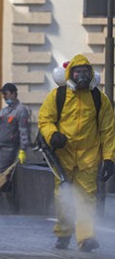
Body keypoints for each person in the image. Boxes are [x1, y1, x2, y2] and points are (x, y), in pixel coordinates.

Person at [38, 54, 115, 252]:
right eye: (77, 72)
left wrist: (109, 158)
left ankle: (86, 237)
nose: (81, 76)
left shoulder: (99, 99)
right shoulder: (58, 95)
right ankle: (63, 233)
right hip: (63, 155)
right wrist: (53, 135)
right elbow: (45, 120)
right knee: (63, 196)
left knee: (86, 197)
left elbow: (108, 131)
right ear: (70, 74)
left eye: (85, 72)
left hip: (88, 157)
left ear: (90, 74)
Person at [0, 82, 30, 213]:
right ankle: (0, 207)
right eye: (2, 94)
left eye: (5, 94)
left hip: (10, 149)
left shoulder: (21, 110)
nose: (3, 97)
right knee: (2, 178)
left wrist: (23, 149)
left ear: (13, 93)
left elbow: (23, 131)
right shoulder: (4, 110)